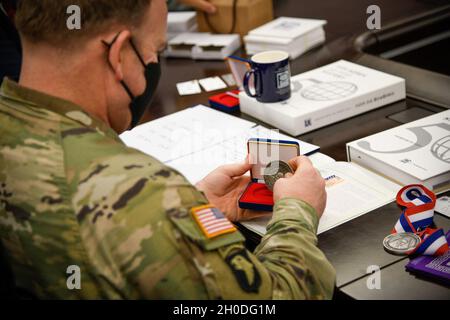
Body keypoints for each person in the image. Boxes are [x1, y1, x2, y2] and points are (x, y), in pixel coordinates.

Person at [0, 0, 335, 299]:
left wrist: (192, 209)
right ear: (118, 55)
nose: (151, 67)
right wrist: (298, 211)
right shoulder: (140, 196)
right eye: (153, 51)